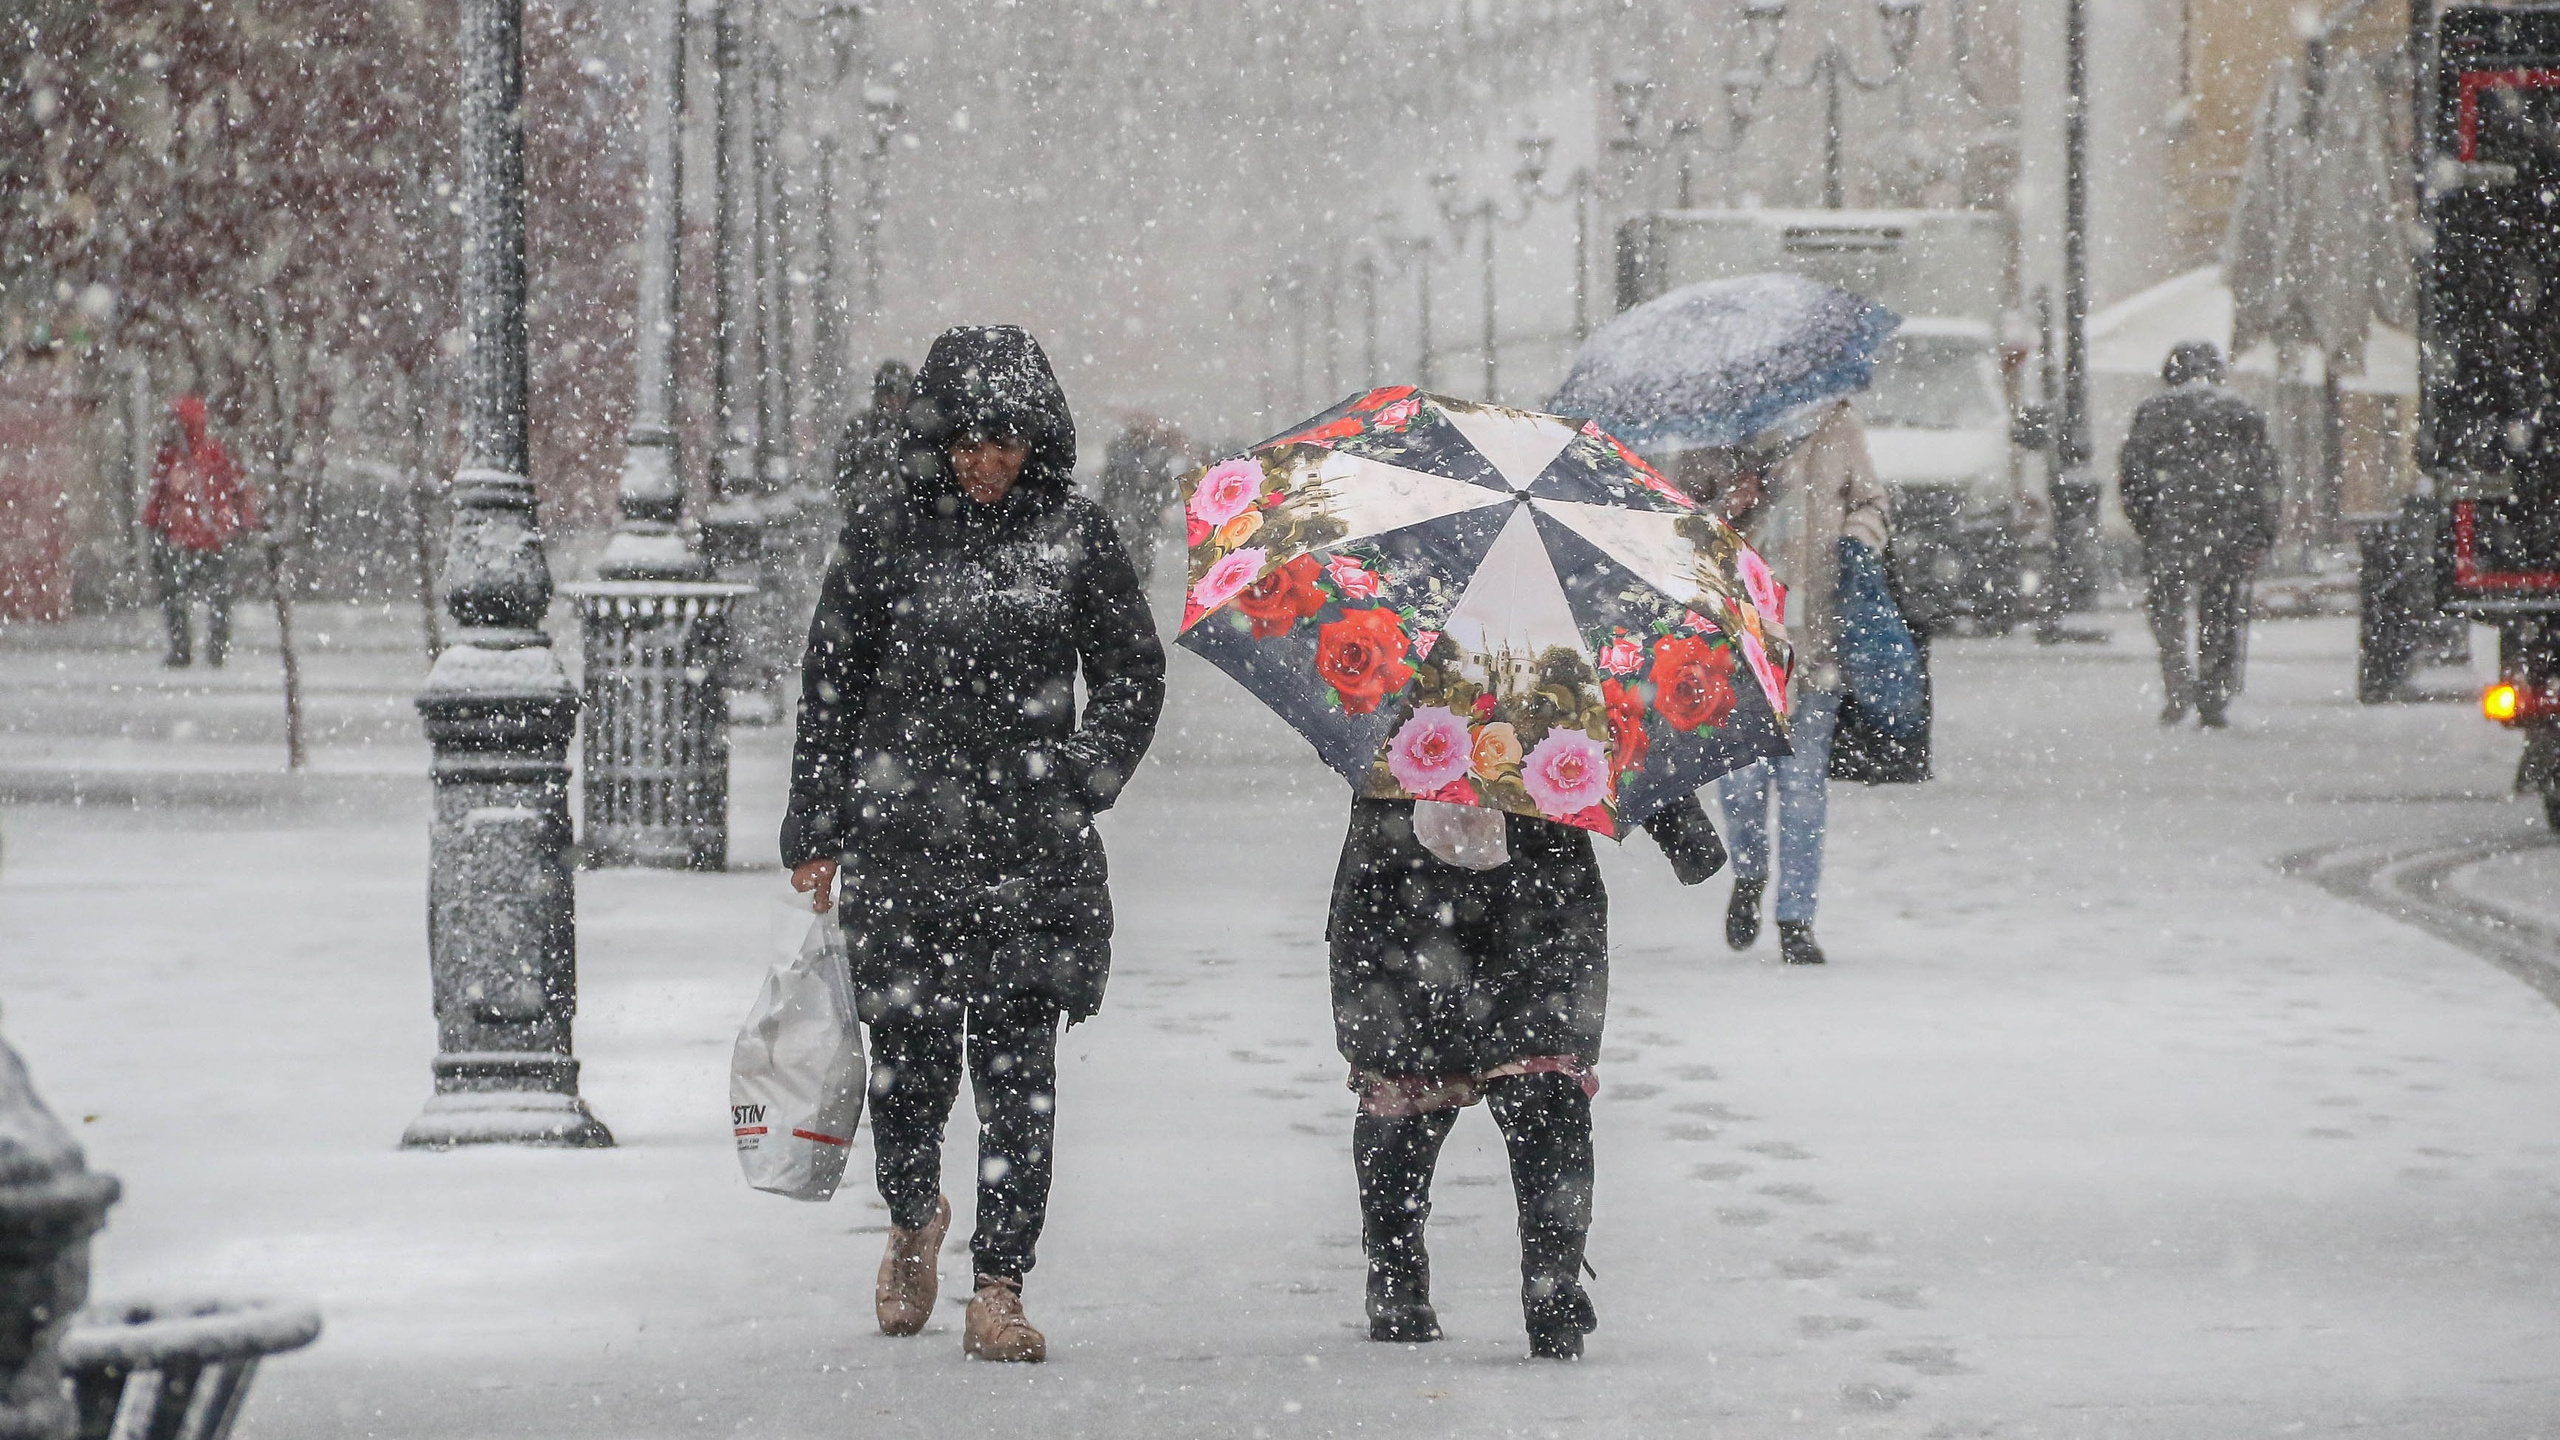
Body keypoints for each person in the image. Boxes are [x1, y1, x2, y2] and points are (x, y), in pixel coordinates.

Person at [782, 325, 1165, 1364]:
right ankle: (912, 1221)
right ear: (933, 440)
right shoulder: (881, 537)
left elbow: (1133, 672)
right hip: (904, 847)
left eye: (1004, 443)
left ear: (1036, 443)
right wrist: (814, 827)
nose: (983, 463)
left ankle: (1000, 1284)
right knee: (908, 1069)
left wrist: (1079, 775)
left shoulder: (1075, 538)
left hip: (1030, 854)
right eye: (965, 443)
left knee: (1016, 1075)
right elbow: (831, 691)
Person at [1328, 794, 1725, 1359]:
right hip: (1427, 890)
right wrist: (1682, 830)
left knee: (1542, 1089)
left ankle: (1550, 1283)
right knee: (1408, 1093)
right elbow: (1620, 722)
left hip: (1520, 896)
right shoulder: (1393, 708)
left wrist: (1680, 825)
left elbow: (1614, 723)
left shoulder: (1397, 708)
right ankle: (1398, 1275)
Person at [1685, 402, 1891, 967]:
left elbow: (1873, 501)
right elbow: (1675, 522)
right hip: (1739, 644)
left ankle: (1797, 917)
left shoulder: (1837, 423)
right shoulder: (1714, 427)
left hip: (1817, 637)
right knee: (1743, 784)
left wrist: (1856, 541)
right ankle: (1750, 873)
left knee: (1803, 790)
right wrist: (1728, 506)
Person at [2117, 340, 2279, 728]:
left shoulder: (2153, 413)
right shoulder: (2242, 412)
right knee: (2221, 610)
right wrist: (2260, 531)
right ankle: (2213, 692)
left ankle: (2176, 684)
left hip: (2170, 529)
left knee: (2167, 610)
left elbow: (2134, 478)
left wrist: (2148, 523)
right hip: (2228, 528)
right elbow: (2264, 478)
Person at [140, 395, 257, 669]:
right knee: (185, 595)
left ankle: (206, 648)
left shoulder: (210, 454)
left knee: (207, 596)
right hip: (191, 536)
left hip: (204, 536)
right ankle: (188, 648)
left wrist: (244, 519)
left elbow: (235, 488)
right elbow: (159, 494)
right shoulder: (172, 457)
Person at [1095, 419, 1185, 587]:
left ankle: (1136, 583)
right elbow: (1109, 487)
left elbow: (1164, 485)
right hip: (1135, 513)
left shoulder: (1151, 456)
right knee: (1135, 551)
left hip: (1143, 514)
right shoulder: (1126, 456)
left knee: (1141, 552)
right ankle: (1134, 583)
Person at [828, 358, 915, 520]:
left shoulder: (918, 428)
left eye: (900, 394)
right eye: (888, 394)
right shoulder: (860, 429)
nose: (894, 402)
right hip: (871, 520)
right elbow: (843, 475)